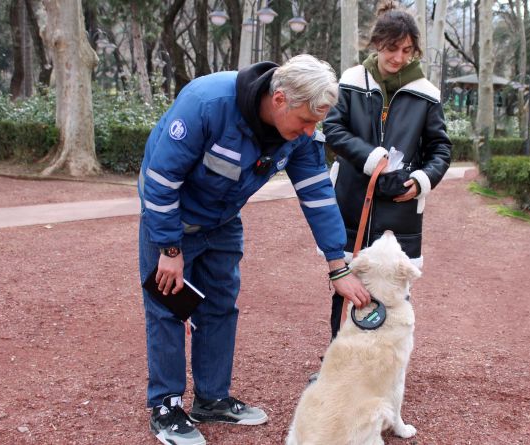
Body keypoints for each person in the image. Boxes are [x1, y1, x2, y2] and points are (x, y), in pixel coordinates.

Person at [137, 54, 371, 445]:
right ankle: (166, 406)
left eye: (317, 123)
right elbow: (161, 180)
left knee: (220, 306)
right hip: (170, 223)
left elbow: (316, 195)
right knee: (168, 309)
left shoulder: (300, 134)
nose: (312, 131)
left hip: (222, 221)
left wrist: (338, 267)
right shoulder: (207, 103)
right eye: (306, 121)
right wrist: (169, 250)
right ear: (279, 100)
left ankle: (211, 398)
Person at [322, 0, 452, 341]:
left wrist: (421, 181)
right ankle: (339, 357)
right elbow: (333, 130)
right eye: (392, 48)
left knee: (395, 287)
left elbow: (440, 148)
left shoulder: (426, 94)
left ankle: (386, 361)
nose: (399, 57)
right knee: (346, 283)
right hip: (352, 198)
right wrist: (370, 159)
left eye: (407, 50)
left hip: (400, 204)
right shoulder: (351, 80)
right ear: (377, 43)